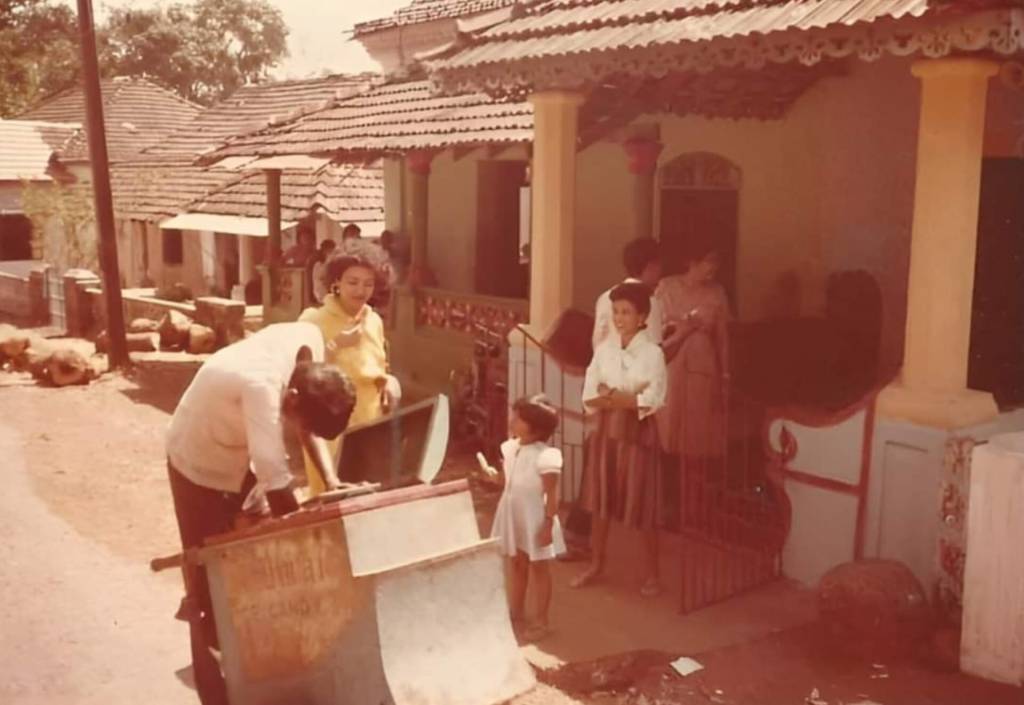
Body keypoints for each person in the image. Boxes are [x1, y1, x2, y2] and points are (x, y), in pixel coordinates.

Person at [165, 321, 358, 705]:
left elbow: (307, 428)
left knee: (256, 558)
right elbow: (273, 473)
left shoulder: (308, 344)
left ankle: (267, 654)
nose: (296, 425)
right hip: (197, 461)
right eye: (296, 416)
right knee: (211, 577)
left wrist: (332, 481)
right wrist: (301, 535)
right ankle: (220, 684)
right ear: (291, 401)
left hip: (240, 456)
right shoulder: (262, 388)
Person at [573, 282, 667, 597]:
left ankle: (652, 573)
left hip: (638, 433)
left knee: (642, 506)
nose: (619, 318)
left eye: (626, 312)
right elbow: (589, 394)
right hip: (605, 432)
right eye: (615, 311)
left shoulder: (653, 354)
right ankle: (596, 564)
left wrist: (611, 394)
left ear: (642, 317)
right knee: (600, 502)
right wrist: (622, 397)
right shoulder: (604, 351)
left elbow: (652, 398)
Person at [299, 239, 401, 497]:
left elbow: (380, 364)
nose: (360, 290)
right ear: (336, 282)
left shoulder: (374, 320)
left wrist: (390, 380)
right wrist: (336, 344)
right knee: (331, 497)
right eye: (352, 282)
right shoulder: (314, 320)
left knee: (368, 493)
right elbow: (301, 377)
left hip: (369, 421)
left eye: (368, 283)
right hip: (329, 425)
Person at [655, 244, 730, 530]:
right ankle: (669, 509)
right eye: (707, 262)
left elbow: (722, 337)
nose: (712, 270)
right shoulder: (667, 287)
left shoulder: (717, 294)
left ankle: (696, 510)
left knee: (698, 438)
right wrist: (684, 323)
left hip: (703, 368)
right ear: (692, 260)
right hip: (673, 367)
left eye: (716, 265)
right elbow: (657, 329)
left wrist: (725, 375)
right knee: (670, 437)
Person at [482, 395, 565, 642]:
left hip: (536, 518)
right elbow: (507, 481)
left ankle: (541, 621)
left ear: (536, 428)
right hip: (513, 514)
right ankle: (516, 612)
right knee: (517, 563)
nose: (513, 421)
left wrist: (548, 524)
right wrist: (493, 476)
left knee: (539, 568)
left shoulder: (547, 456)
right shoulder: (511, 448)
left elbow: (552, 493)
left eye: (520, 419)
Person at [592, 238, 664, 350]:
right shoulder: (648, 299)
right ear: (651, 265)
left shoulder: (605, 297)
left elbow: (597, 342)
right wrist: (682, 334)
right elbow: (656, 353)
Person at [310, 239, 337, 304]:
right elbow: (323, 277)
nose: (332, 252)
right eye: (330, 250)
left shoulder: (333, 261)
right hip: (321, 293)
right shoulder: (318, 264)